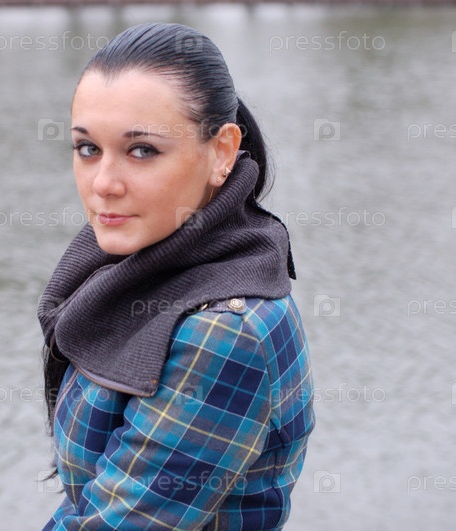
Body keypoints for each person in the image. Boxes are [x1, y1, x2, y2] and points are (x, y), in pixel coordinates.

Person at [37, 22, 314, 530]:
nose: (103, 184)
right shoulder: (127, 269)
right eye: (87, 149)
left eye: (142, 150)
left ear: (222, 153)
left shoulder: (223, 333)